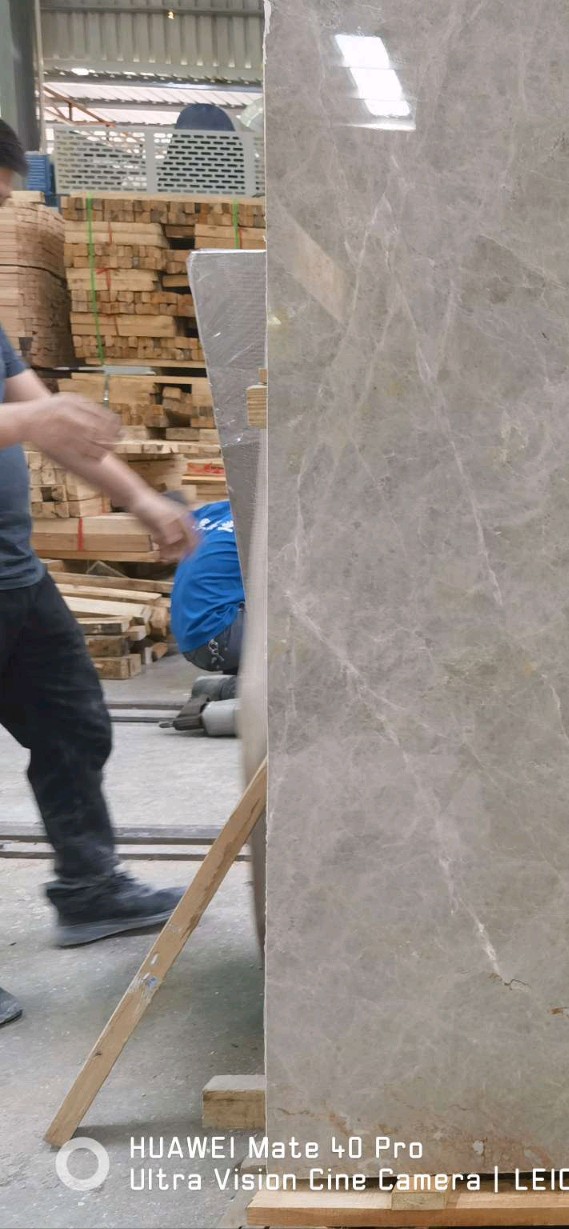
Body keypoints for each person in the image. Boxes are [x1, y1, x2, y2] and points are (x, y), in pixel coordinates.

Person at [0, 120, 199, 1026]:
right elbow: (29, 424)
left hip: (15, 581)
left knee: (75, 724)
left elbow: (48, 422)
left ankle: (89, 887)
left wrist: (144, 501)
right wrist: (27, 425)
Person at [172, 500, 243, 674]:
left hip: (189, 639)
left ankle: (239, 685)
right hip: (221, 638)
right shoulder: (268, 522)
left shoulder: (218, 511)